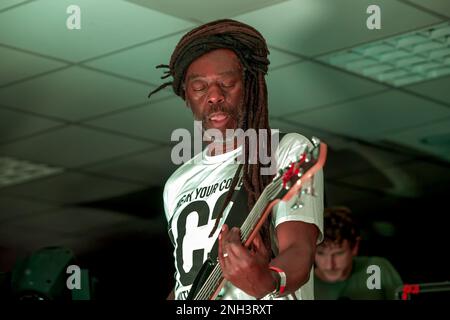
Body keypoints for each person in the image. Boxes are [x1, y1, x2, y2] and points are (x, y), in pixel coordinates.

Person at [149, 19, 324, 300]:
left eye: (227, 83)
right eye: (199, 87)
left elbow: (299, 253)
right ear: (186, 97)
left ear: (250, 86)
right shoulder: (176, 184)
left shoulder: (286, 151)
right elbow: (186, 281)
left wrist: (268, 280)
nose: (215, 96)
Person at [314, 206, 403, 300]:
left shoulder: (376, 268)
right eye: (320, 253)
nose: (329, 265)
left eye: (338, 253)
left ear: (355, 247)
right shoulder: (303, 283)